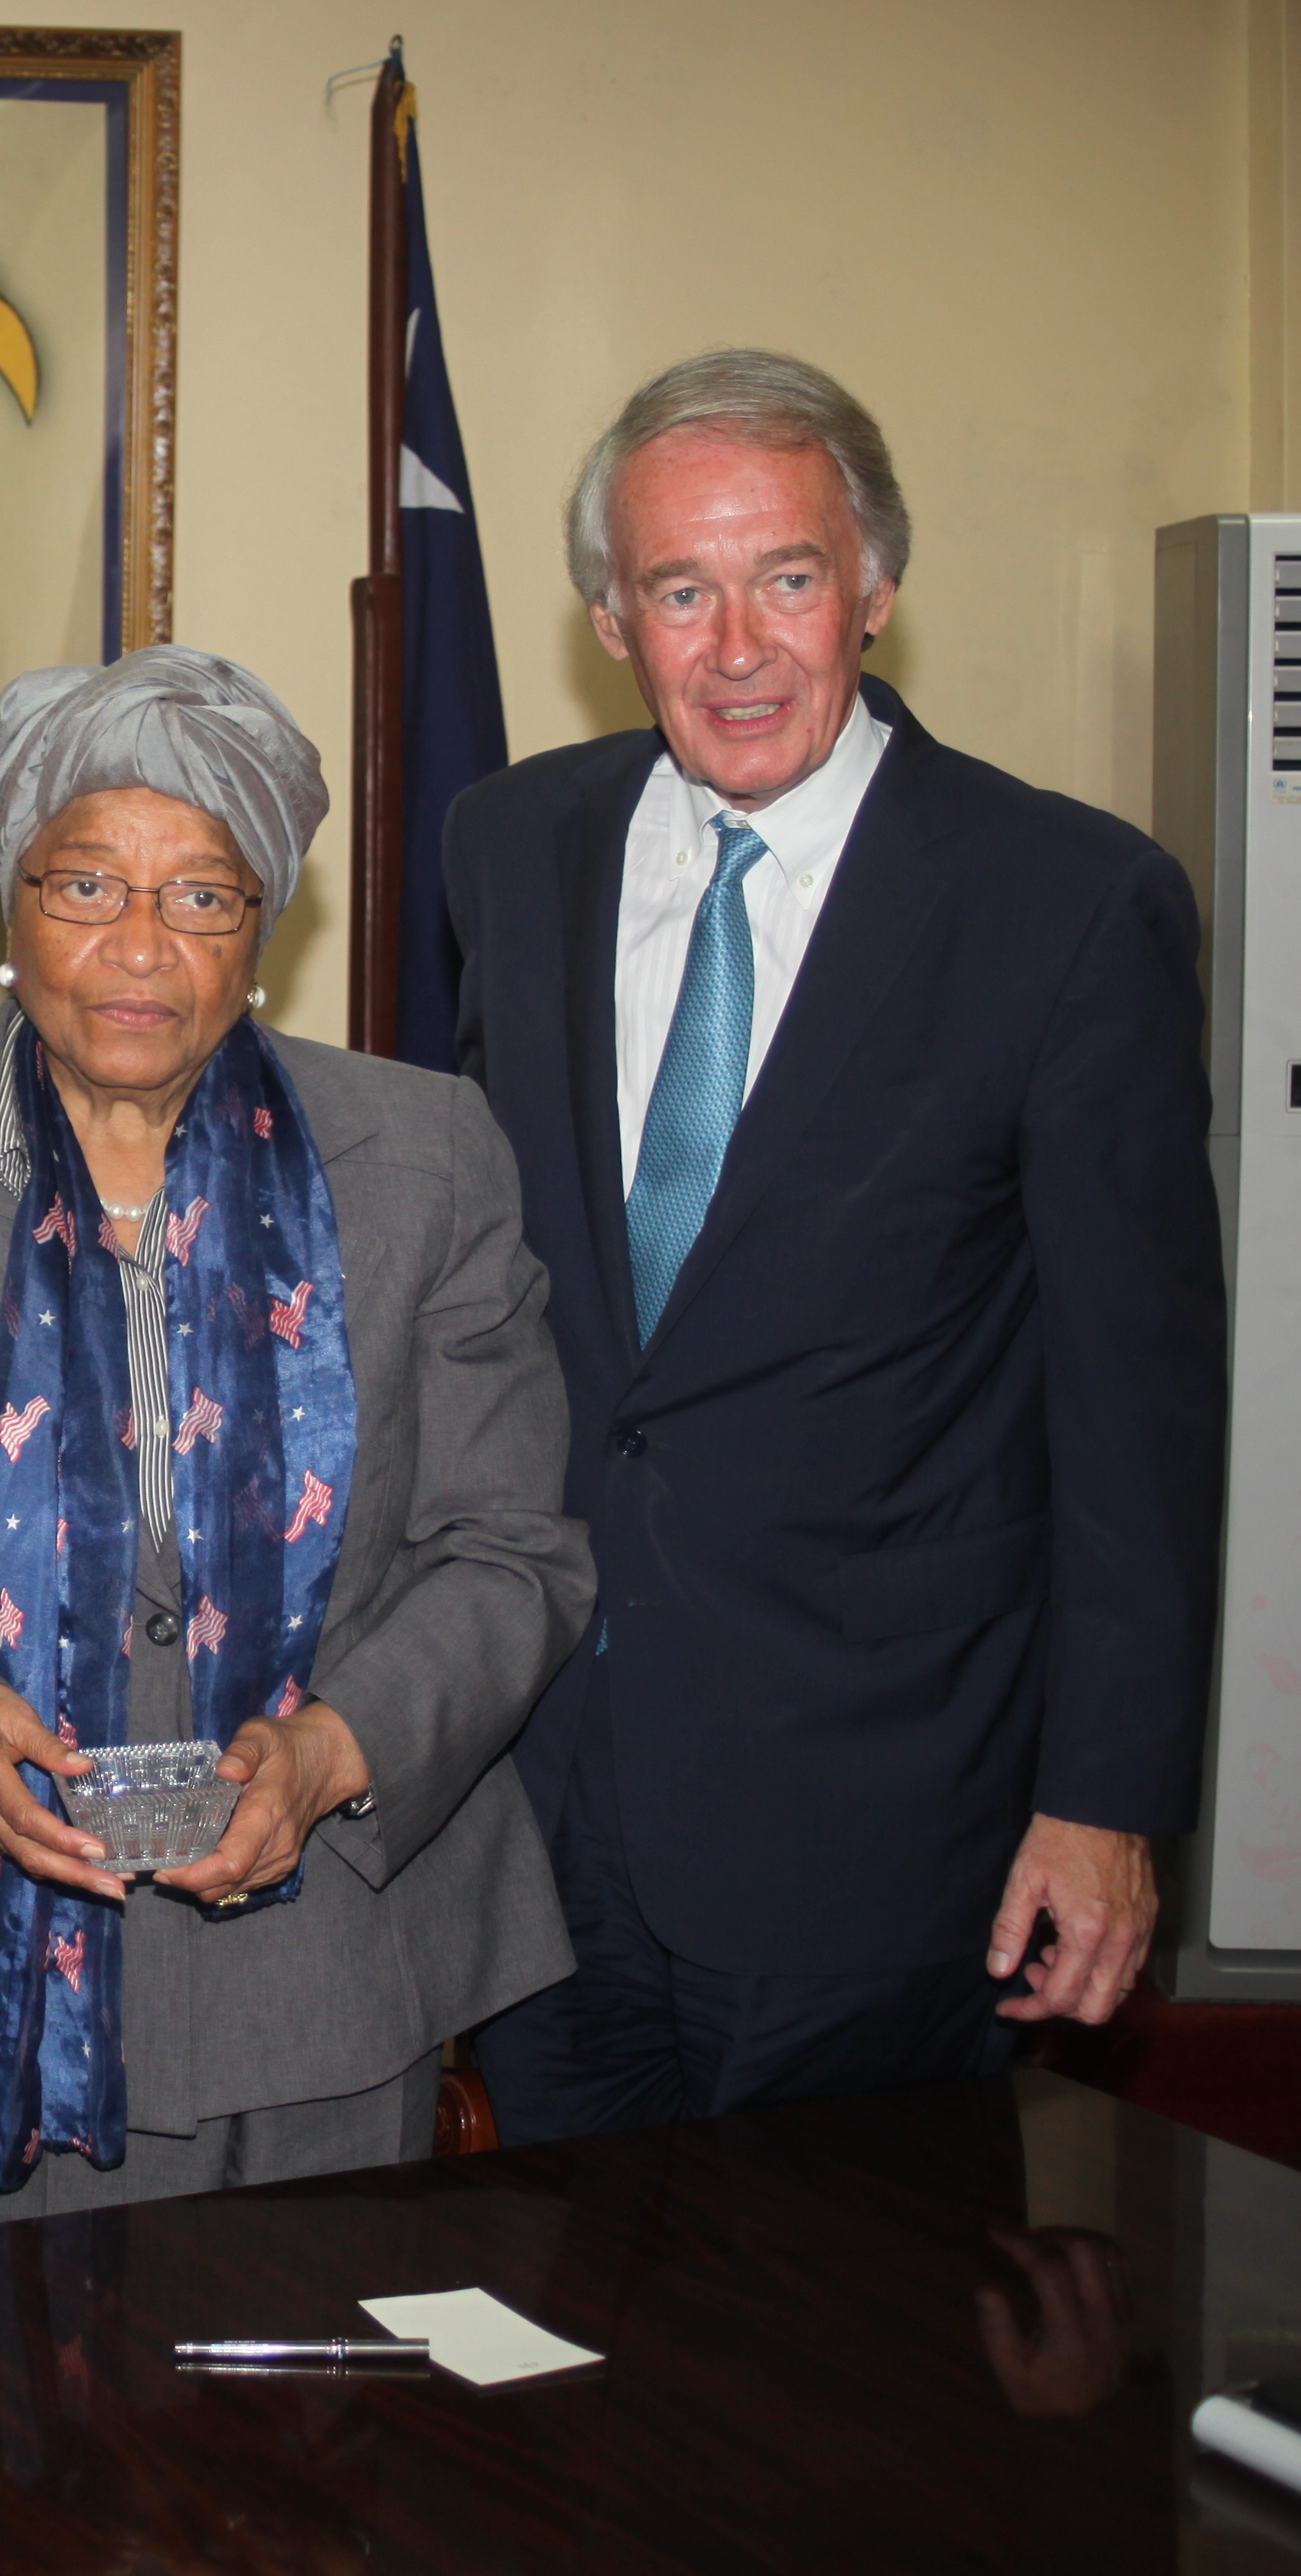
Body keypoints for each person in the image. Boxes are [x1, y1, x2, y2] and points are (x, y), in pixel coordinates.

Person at [446, 350, 1227, 2143]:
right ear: (607, 617)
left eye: (787, 578)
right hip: (547, 1804)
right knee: (556, 2373)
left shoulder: (1068, 902)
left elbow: (1139, 1415)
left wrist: (1106, 1805)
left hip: (882, 1819)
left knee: (846, 2383)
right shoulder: (514, 847)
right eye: (679, 588)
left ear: (873, 589)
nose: (737, 645)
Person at [0, 646, 593, 2231]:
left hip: (339, 1970)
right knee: (14, 2453)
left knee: (334, 2458)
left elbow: (513, 1546)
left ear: (263, 929)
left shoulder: (425, 1156)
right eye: (86, 885)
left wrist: (338, 1745)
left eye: (203, 895)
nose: (140, 948)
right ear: (8, 904)